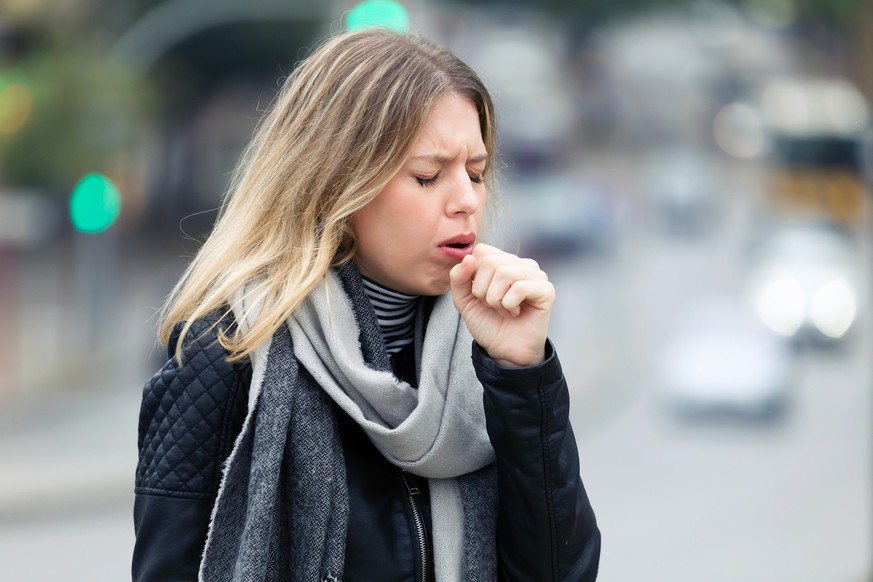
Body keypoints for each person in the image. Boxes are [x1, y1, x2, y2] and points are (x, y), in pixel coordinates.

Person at [132, 27, 600, 582]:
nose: (466, 201)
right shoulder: (224, 356)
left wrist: (524, 375)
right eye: (428, 177)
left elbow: (561, 572)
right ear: (337, 183)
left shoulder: (489, 357)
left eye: (475, 173)